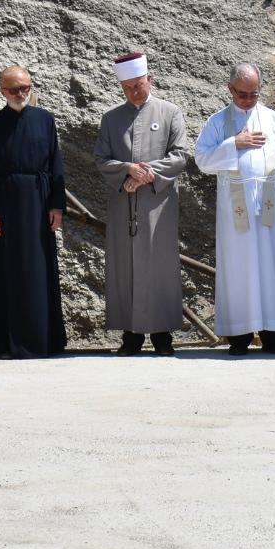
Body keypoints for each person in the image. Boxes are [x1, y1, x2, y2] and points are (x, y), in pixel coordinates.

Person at [194, 63, 275, 356]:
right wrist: (234, 144)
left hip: (269, 202)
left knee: (270, 267)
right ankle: (239, 335)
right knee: (238, 268)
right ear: (230, 90)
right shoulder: (218, 122)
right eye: (242, 95)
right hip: (235, 208)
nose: (249, 100)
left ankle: (272, 335)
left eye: (254, 94)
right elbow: (202, 160)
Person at [94, 52, 188, 356]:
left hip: (157, 205)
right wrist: (126, 170)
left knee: (160, 267)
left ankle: (163, 336)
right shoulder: (111, 119)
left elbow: (179, 156)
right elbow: (101, 159)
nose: (135, 91)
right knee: (125, 268)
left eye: (139, 84)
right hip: (124, 205)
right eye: (129, 87)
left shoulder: (170, 112)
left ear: (150, 79)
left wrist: (145, 174)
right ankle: (130, 336)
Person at [0, 66, 66, 358]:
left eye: (25, 87)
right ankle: (4, 343)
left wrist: (57, 205)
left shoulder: (46, 120)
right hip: (4, 210)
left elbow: (56, 166)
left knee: (38, 273)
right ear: (2, 91)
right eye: (13, 89)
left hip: (39, 208)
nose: (20, 94)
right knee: (6, 273)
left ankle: (43, 340)